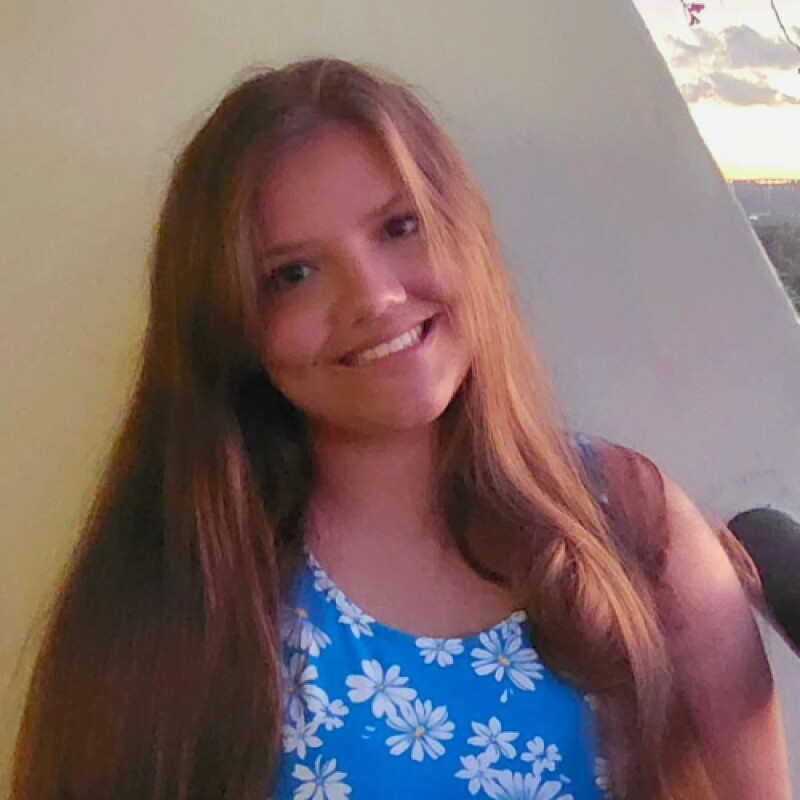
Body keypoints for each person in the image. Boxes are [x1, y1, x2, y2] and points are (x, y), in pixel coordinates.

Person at [11, 58, 791, 800]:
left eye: (399, 226)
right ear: (231, 324)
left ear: (465, 232)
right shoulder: (184, 591)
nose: (373, 297)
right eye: (292, 274)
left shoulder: (628, 520)